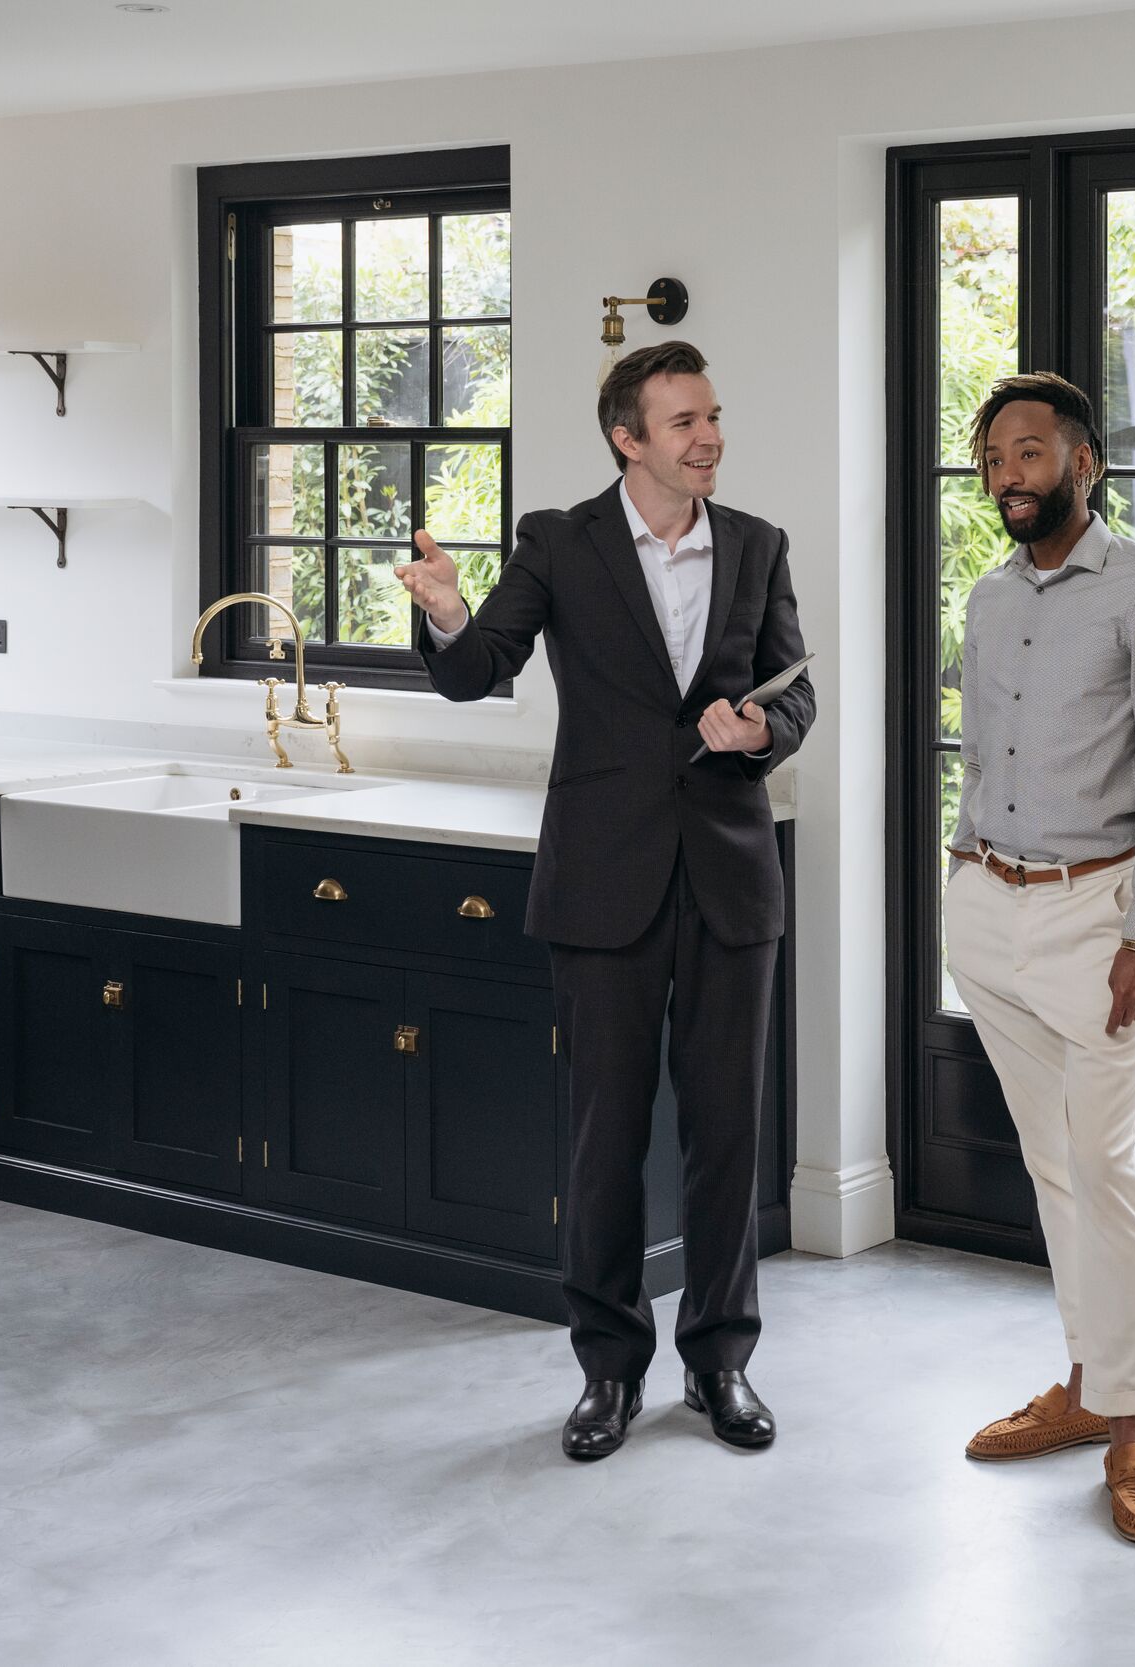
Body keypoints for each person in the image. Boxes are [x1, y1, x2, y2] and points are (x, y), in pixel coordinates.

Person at [395, 340, 816, 1462]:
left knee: (728, 1134)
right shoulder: (558, 541)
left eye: (712, 415)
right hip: (601, 878)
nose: (708, 436)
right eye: (683, 421)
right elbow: (482, 664)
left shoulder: (758, 545)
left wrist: (760, 729)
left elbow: (796, 687)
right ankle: (608, 1369)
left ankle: (720, 1358)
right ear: (629, 438)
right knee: (603, 1137)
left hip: (730, 875)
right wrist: (444, 610)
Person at [943, 372, 1135, 1547]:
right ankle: (1086, 1384)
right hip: (988, 905)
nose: (1009, 473)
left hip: (1097, 916)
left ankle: (1133, 1422)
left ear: (1084, 463)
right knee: (1051, 1162)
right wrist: (960, 868)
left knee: (1105, 1165)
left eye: (1031, 452)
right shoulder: (989, 598)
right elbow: (978, 749)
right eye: (995, 455)